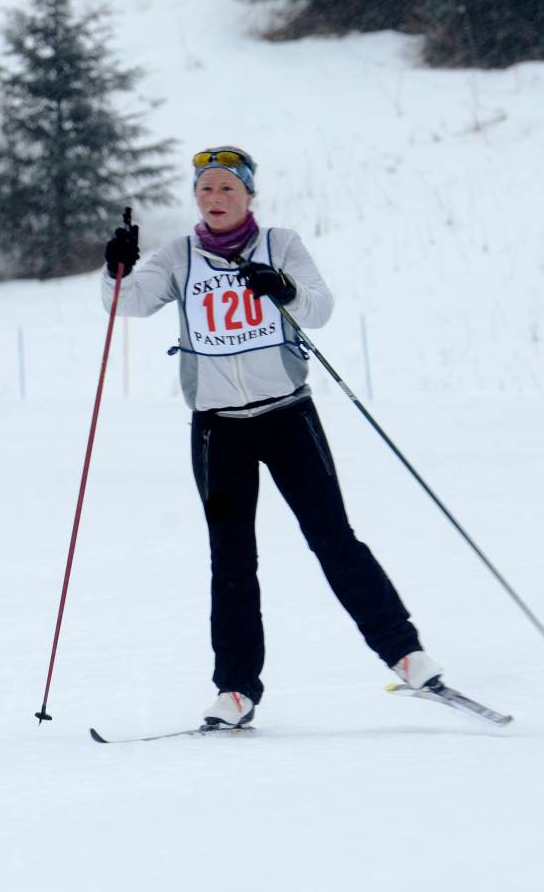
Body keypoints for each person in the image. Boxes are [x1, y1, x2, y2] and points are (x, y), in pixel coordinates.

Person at [102, 146, 442, 728]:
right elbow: (125, 304)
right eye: (205, 189)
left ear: (249, 195)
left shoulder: (280, 244)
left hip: (288, 417)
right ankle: (236, 690)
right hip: (218, 430)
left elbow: (320, 309)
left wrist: (282, 288)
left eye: (227, 189)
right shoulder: (179, 256)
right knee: (231, 559)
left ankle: (406, 655)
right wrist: (115, 267)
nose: (215, 199)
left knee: (333, 539)